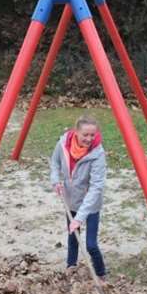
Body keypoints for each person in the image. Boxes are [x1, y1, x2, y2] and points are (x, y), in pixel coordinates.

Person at [50, 114, 107, 282]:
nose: (89, 138)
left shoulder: (98, 154)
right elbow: (54, 163)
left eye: (92, 135)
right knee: (73, 236)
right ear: (76, 132)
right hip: (71, 201)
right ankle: (71, 266)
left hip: (90, 205)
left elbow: (96, 187)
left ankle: (101, 274)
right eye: (85, 135)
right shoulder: (62, 145)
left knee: (90, 244)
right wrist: (55, 180)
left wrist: (80, 217)